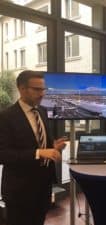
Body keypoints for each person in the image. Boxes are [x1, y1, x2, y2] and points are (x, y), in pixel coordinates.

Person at [0, 70, 67, 225]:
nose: (42, 93)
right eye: (37, 89)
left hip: (43, 185)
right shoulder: (6, 117)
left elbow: (41, 143)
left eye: (43, 89)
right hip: (20, 190)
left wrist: (53, 147)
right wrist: (39, 153)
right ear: (22, 89)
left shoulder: (42, 111)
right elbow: (3, 154)